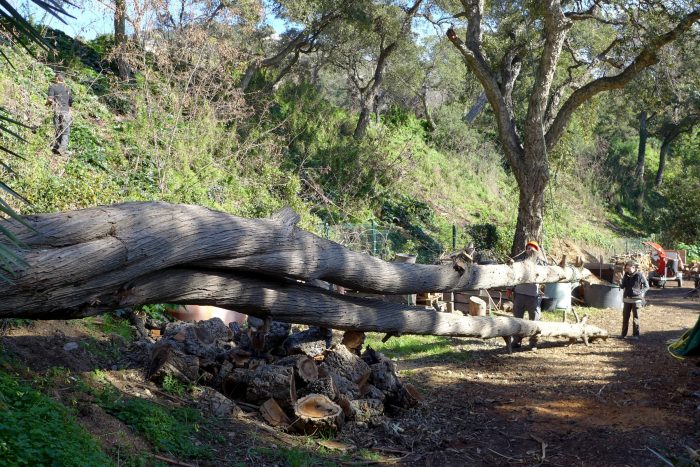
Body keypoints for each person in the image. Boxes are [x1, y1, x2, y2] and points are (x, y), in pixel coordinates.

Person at [512, 240, 547, 350]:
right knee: (518, 320)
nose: (529, 250)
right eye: (528, 248)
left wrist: (541, 255)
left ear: (536, 251)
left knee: (535, 320)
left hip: (533, 295)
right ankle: (517, 341)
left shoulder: (540, 263)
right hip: (519, 294)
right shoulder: (520, 261)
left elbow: (547, 270)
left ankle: (533, 343)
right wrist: (510, 288)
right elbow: (512, 275)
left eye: (532, 248)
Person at [619, 260, 649, 340]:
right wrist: (620, 282)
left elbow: (647, 286)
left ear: (633, 267)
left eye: (628, 268)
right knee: (625, 318)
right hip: (627, 300)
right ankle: (623, 334)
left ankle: (636, 335)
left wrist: (640, 292)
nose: (626, 270)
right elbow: (623, 286)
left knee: (636, 318)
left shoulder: (639, 275)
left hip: (636, 300)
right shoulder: (626, 275)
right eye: (626, 269)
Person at [46, 72, 73, 155]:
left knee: (57, 129)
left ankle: (55, 147)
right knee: (65, 131)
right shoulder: (67, 89)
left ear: (56, 78)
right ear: (63, 80)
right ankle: (62, 149)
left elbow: (50, 99)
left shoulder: (52, 87)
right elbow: (71, 102)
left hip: (57, 111)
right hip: (66, 112)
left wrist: (47, 104)